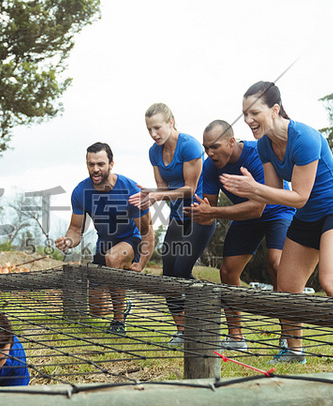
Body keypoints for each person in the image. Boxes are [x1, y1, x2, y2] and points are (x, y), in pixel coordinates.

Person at [219, 81, 333, 371]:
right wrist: (254, 190)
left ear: (274, 109)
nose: (247, 120)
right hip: (306, 218)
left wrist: (254, 189)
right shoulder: (264, 145)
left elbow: (298, 196)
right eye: (244, 114)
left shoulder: (305, 138)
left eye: (254, 112)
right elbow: (275, 192)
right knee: (286, 288)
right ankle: (294, 351)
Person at [185, 119, 294, 352]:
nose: (209, 153)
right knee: (227, 271)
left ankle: (287, 336)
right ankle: (236, 337)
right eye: (206, 147)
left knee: (276, 265)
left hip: (278, 211)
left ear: (231, 142)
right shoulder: (210, 167)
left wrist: (213, 212)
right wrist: (199, 213)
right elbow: (210, 208)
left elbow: (257, 207)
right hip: (246, 217)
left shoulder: (256, 155)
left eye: (214, 146)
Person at [128, 103, 215, 349]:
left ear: (171, 122)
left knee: (181, 272)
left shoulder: (189, 146)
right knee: (168, 277)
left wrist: (156, 196)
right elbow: (163, 189)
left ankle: (207, 305)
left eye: (157, 127)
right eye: (149, 129)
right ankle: (183, 331)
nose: (154, 134)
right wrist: (150, 194)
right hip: (177, 218)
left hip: (198, 216)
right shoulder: (153, 152)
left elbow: (189, 188)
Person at [55, 141, 153, 334]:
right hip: (104, 244)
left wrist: (141, 263)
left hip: (131, 240)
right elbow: (76, 230)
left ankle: (118, 322)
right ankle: (123, 306)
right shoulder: (81, 192)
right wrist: (68, 241)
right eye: (91, 164)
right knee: (97, 309)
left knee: (113, 258)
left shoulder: (130, 189)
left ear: (111, 164)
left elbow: (147, 232)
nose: (95, 169)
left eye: (100, 164)